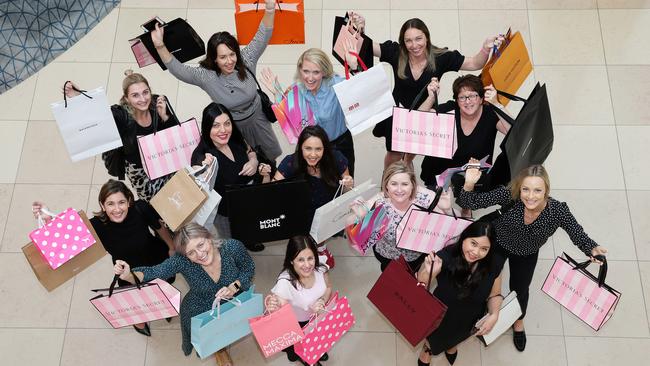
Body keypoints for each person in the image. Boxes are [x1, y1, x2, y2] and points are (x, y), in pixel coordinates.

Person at [458, 163, 608, 351]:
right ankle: (480, 310)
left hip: (527, 252)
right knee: (485, 280)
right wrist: (469, 183)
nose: (530, 196)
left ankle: (518, 321)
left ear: (546, 190)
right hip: (497, 244)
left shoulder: (558, 211)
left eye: (537, 190)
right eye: (526, 189)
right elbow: (469, 202)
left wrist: (591, 248)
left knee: (520, 289)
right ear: (519, 188)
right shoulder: (509, 195)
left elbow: (576, 232)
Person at [348, 14, 503, 169]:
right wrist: (359, 28)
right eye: (408, 40)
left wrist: (485, 47)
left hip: (425, 113)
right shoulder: (396, 53)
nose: (414, 45)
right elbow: (366, 46)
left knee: (411, 152)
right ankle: (387, 182)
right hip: (398, 113)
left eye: (418, 38)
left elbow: (475, 63)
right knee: (394, 154)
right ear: (403, 42)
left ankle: (407, 170)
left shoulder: (441, 57)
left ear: (427, 38)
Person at [32, 179, 175, 337]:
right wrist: (48, 219)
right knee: (136, 299)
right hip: (127, 271)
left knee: (163, 288)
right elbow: (66, 239)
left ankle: (165, 308)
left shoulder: (141, 208)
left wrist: (171, 247)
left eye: (121, 202)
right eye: (110, 204)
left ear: (128, 201)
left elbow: (159, 227)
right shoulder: (97, 225)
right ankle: (140, 320)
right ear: (102, 205)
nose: (117, 209)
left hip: (155, 259)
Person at [150, 0, 282, 161]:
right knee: (245, 164)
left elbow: (263, 35)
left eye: (232, 54)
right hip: (230, 127)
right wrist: (159, 46)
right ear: (214, 59)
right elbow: (179, 70)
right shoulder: (207, 75)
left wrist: (269, 8)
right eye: (223, 57)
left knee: (269, 158)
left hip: (258, 119)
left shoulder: (246, 59)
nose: (229, 61)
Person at [113, 222, 255, 366]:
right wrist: (130, 276)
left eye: (200, 245)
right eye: (191, 252)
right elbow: (155, 272)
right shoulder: (182, 261)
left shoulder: (232, 247)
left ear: (209, 237)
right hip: (202, 307)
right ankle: (219, 350)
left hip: (236, 298)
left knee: (233, 327)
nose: (200, 254)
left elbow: (248, 268)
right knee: (212, 336)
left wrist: (235, 286)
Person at [63, 71, 178, 201]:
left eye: (145, 92)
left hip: (163, 160)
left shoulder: (157, 103)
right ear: (126, 98)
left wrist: (166, 117)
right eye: (135, 95)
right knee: (156, 201)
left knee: (177, 189)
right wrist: (78, 96)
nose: (143, 99)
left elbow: (177, 135)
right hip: (140, 170)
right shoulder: (120, 115)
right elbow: (98, 114)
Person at [260, 125, 353, 267]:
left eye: (318, 149)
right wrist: (266, 176)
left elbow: (347, 192)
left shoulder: (336, 158)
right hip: (300, 210)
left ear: (325, 149)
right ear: (300, 147)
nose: (313, 154)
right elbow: (271, 192)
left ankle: (321, 248)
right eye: (308, 148)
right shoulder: (290, 162)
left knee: (321, 233)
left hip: (326, 208)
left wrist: (348, 183)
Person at [415, 221, 504, 366]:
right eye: (473, 244)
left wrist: (494, 314)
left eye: (484, 248)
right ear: (464, 238)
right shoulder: (446, 256)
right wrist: (429, 272)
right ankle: (428, 349)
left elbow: (495, 294)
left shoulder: (495, 263)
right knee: (433, 337)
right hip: (441, 314)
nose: (476, 252)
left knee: (459, 336)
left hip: (469, 317)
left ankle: (452, 345)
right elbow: (420, 285)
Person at [261, 47, 357, 175]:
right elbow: (290, 123)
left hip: (338, 146)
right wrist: (277, 93)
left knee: (344, 189)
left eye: (316, 72)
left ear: (324, 71)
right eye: (306, 71)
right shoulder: (296, 90)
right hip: (310, 151)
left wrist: (354, 68)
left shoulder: (335, 84)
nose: (310, 78)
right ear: (300, 70)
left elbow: (361, 90)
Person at [349, 161, 451, 272]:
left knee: (411, 275)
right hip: (386, 255)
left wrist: (446, 210)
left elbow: (449, 230)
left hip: (415, 257)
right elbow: (357, 242)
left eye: (404, 184)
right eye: (394, 184)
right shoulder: (380, 205)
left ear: (413, 185)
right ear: (386, 185)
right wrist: (357, 219)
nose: (399, 190)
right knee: (389, 277)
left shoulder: (425, 199)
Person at [418, 74, 512, 193]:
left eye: (473, 96)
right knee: (435, 202)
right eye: (462, 97)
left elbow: (514, 132)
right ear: (457, 101)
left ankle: (466, 208)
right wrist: (431, 98)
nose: (467, 102)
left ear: (482, 98)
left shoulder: (490, 114)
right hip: (440, 169)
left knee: (468, 199)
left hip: (472, 174)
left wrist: (497, 105)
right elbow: (417, 120)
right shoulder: (450, 109)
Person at [191, 102, 265, 252]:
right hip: (226, 212)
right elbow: (197, 169)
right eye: (216, 125)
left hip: (247, 198)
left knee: (250, 226)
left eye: (227, 123)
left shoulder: (234, 137)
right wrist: (203, 168)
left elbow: (249, 150)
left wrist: (253, 161)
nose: (223, 130)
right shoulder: (202, 154)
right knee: (232, 243)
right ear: (207, 128)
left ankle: (250, 240)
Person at [265, 235, 333, 366]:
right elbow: (278, 309)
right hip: (298, 326)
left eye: (310, 258)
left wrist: (322, 301)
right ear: (291, 261)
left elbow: (328, 287)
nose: (307, 265)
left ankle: (317, 351)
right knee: (305, 354)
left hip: (318, 318)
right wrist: (273, 306)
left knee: (318, 344)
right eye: (300, 260)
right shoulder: (286, 282)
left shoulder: (321, 268)